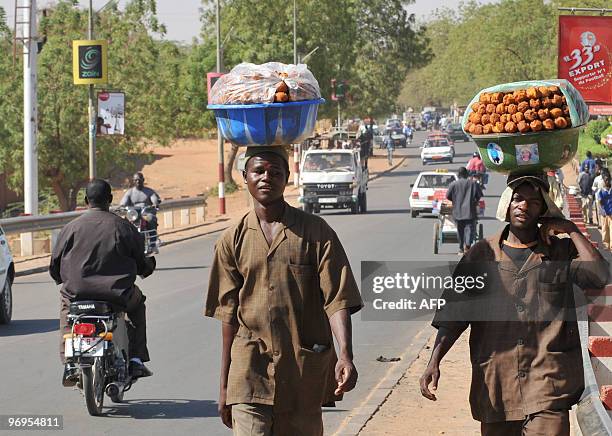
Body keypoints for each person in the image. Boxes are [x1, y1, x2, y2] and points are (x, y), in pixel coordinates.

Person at [420, 173, 609, 436]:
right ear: (507, 203)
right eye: (519, 199)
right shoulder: (480, 255)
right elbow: (454, 315)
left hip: (548, 385)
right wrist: (434, 361)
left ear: (543, 210)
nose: (524, 206)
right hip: (497, 386)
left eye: (534, 202)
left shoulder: (560, 251)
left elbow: (599, 276)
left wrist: (572, 230)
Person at [205, 146, 363, 435]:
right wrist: (225, 386)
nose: (267, 178)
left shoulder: (316, 232)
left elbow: (337, 299)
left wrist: (345, 354)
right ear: (245, 177)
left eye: (275, 172)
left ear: (287, 178)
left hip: (302, 371)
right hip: (248, 372)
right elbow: (227, 316)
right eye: (259, 171)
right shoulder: (231, 239)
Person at [50, 179, 156, 386]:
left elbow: (55, 266)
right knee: (138, 303)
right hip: (116, 296)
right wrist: (146, 268)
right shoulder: (123, 227)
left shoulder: (70, 228)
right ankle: (135, 359)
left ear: (85, 200)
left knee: (66, 309)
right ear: (110, 199)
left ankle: (69, 361)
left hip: (77, 295)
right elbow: (141, 261)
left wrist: (63, 278)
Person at [446, 167, 483, 255]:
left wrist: (455, 201)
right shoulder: (473, 184)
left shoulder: (453, 184)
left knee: (460, 230)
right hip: (470, 211)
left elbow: (448, 196)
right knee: (469, 229)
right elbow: (479, 195)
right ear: (467, 175)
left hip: (457, 212)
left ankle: (461, 248)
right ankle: (467, 246)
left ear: (458, 175)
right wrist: (474, 201)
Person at [598, 172, 612, 250]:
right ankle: (606, 245)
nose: (607, 181)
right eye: (606, 180)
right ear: (604, 181)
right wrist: (602, 211)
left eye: (608, 180)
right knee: (605, 229)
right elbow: (600, 202)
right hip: (604, 214)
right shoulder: (601, 191)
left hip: (611, 213)